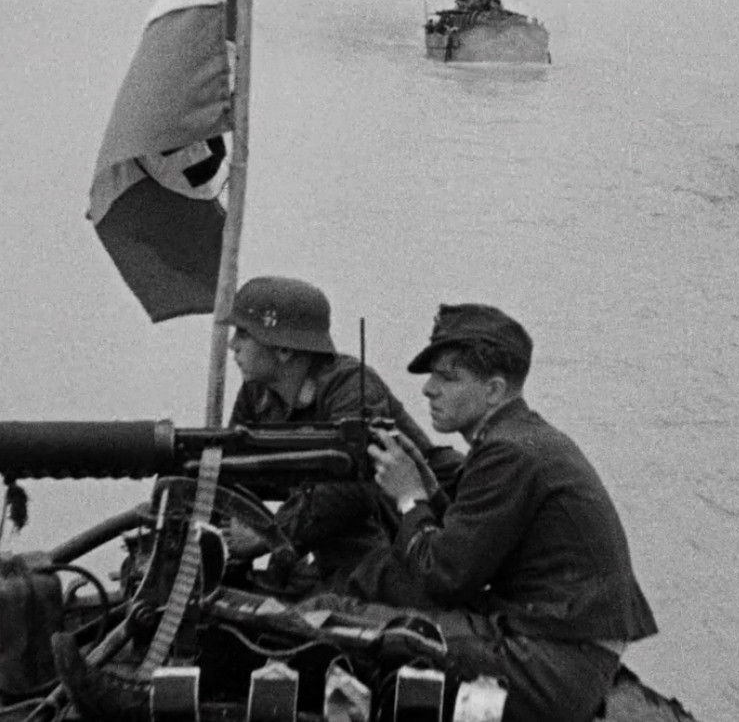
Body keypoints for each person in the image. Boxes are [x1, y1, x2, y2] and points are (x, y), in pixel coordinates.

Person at [349, 303, 658, 722]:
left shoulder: (508, 452)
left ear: (494, 390)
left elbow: (445, 577)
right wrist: (428, 489)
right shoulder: (520, 438)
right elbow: (471, 545)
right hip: (559, 649)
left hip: (550, 663)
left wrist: (409, 498)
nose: (428, 390)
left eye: (447, 378)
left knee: (353, 627)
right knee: (377, 582)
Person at [223, 275, 461, 591]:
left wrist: (269, 534)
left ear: (283, 349)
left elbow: (351, 489)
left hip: (406, 534)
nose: (233, 345)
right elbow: (235, 472)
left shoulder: (350, 388)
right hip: (330, 543)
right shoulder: (257, 394)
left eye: (244, 333)